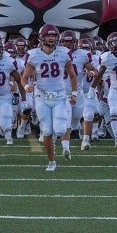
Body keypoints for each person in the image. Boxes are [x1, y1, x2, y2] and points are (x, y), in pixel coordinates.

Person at [21, 24, 77, 171]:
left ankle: (62, 146)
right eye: (48, 36)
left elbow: (72, 75)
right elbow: (24, 77)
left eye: (53, 36)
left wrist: (75, 93)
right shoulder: (33, 54)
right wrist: (27, 87)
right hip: (42, 97)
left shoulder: (64, 53)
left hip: (59, 96)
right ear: (41, 37)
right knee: (46, 131)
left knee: (59, 130)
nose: (51, 38)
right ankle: (52, 162)